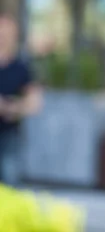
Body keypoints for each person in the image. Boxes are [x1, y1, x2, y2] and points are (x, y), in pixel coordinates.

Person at [0, 11, 42, 186]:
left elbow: (35, 103)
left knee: (10, 185)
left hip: (9, 136)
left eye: (8, 34)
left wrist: (12, 107)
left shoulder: (21, 68)